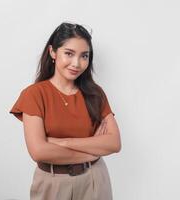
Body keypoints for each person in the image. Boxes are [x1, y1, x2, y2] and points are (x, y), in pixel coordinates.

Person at [9, 22, 121, 200]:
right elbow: (38, 151)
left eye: (84, 56)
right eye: (69, 53)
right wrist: (94, 147)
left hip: (94, 180)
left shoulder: (95, 94)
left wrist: (62, 142)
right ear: (53, 52)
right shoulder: (34, 94)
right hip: (52, 183)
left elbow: (114, 143)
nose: (77, 63)